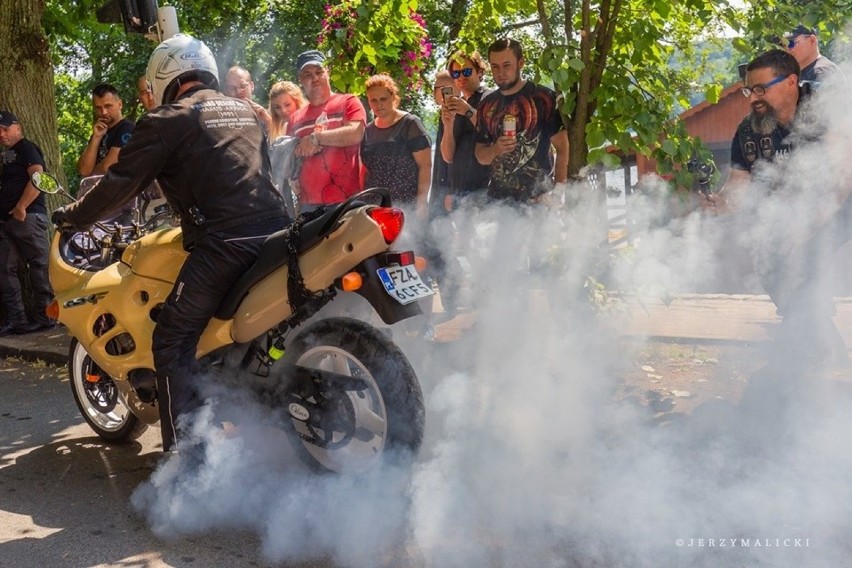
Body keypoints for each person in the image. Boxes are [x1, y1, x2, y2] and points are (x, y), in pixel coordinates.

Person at [52, 34, 291, 453]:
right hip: (277, 233)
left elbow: (120, 185)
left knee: (172, 339)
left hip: (225, 241)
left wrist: (73, 217)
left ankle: (187, 459)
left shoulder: (166, 118)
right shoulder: (246, 111)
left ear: (165, 74)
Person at [703, 49, 851, 369]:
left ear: (791, 83)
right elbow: (739, 183)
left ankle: (814, 348)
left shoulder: (827, 106)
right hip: (796, 207)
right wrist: (722, 203)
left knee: (803, 258)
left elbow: (841, 178)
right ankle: (816, 344)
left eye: (761, 88)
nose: (753, 98)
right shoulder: (748, 130)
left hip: (843, 200)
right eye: (748, 90)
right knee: (768, 256)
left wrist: (804, 228)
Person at [474, 38, 569, 204]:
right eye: (495, 66)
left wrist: (557, 193)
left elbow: (563, 148)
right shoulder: (486, 105)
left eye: (506, 65)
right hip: (498, 205)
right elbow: (480, 155)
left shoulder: (544, 98)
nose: (500, 72)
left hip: (538, 201)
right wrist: (495, 149)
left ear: (521, 63)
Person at [288, 50, 367, 212]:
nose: (315, 78)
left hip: (346, 202)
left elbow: (355, 133)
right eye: (307, 74)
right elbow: (287, 153)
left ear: (328, 72)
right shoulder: (295, 118)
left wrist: (315, 139)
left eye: (319, 72)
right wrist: (297, 151)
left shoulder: (348, 102)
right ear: (300, 79)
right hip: (307, 206)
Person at [0, 111, 55, 336]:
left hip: (28, 216)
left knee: (39, 265)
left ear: (17, 127)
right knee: (5, 269)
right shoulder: (7, 155)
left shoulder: (26, 147)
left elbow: (39, 178)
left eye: (5, 129)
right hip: (6, 221)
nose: (1, 134)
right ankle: (17, 321)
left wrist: (22, 206)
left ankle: (48, 316)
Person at [361, 73, 432, 213]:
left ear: (393, 97)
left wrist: (422, 203)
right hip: (375, 207)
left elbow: (425, 166)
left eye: (383, 99)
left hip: (407, 206)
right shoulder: (367, 131)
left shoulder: (410, 124)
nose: (378, 104)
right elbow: (367, 172)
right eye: (373, 100)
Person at [441, 50, 491, 210]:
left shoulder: (491, 98)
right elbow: (448, 157)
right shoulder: (455, 105)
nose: (461, 77)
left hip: (485, 191)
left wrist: (469, 111)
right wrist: (448, 126)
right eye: (456, 73)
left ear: (480, 72)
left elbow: (494, 132)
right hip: (458, 194)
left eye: (467, 71)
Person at [76, 83, 134, 176]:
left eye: (108, 106)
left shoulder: (127, 128)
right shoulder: (99, 130)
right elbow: (84, 170)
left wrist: (90, 177)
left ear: (120, 104)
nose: (103, 112)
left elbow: (108, 167)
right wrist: (96, 138)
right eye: (98, 108)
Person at [223, 65, 273, 131]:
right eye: (232, 88)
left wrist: (268, 122)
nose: (238, 92)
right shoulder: (223, 117)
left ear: (251, 86)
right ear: (226, 91)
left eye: (243, 86)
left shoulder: (267, 116)